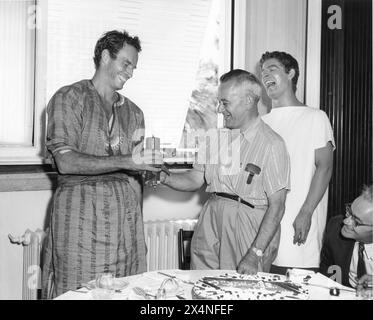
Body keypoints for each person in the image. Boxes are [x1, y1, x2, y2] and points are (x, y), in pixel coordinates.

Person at [41, 30, 163, 298]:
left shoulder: (134, 112)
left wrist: (138, 233)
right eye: (126, 63)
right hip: (80, 216)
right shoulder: (69, 98)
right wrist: (128, 161)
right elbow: (65, 161)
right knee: (79, 290)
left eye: (134, 67)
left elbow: (135, 177)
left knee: (126, 291)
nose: (130, 72)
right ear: (106, 57)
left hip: (125, 223)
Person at [161, 69, 290, 274]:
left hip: (249, 225)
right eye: (219, 102)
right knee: (202, 284)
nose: (220, 109)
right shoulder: (215, 138)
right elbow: (195, 179)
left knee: (241, 291)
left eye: (225, 102)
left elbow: (277, 206)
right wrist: (163, 176)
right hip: (212, 217)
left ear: (248, 100)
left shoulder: (272, 144)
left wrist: (254, 253)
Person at [260, 51, 335, 275]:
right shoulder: (262, 122)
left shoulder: (315, 117)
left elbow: (325, 167)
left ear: (291, 73)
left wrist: (305, 212)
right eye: (262, 72)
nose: (265, 76)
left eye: (271, 69)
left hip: (298, 220)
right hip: (266, 225)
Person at [320, 185, 373, 289]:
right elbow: (326, 275)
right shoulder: (335, 228)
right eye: (349, 211)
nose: (345, 221)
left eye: (356, 221)